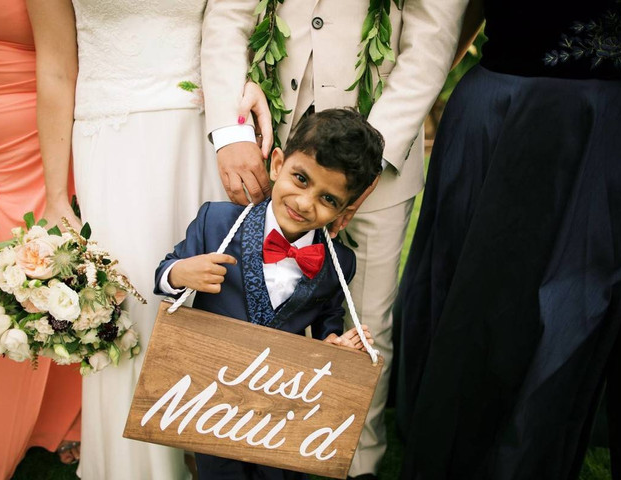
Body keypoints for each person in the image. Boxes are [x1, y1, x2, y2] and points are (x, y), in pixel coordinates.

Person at [200, 1, 469, 477]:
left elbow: (430, 40)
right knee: (237, 315)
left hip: (377, 170)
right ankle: (232, 446)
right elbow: (227, 14)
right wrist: (230, 129)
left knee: (365, 324)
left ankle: (355, 461)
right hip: (268, 148)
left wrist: (366, 167)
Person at [27, 0, 272, 478]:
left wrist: (244, 85)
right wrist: (57, 194)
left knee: (219, 302)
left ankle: (220, 458)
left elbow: (240, 22)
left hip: (208, 131)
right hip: (113, 137)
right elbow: (55, 67)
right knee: (132, 305)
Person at [395, 0, 621, 478]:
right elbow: (454, 23)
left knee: (583, 297)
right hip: (504, 113)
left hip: (610, 124)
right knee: (485, 294)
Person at [155, 109, 382, 480]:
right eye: (301, 178)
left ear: (344, 210)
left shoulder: (339, 261)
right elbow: (163, 273)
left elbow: (328, 317)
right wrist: (181, 273)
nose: (305, 202)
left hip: (283, 404)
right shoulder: (217, 222)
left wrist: (336, 343)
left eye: (328, 198)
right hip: (214, 397)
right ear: (277, 163)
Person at [0, 1, 81, 477]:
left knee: (31, 277)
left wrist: (55, 188)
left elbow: (59, 65)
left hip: (37, 134)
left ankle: (55, 418)